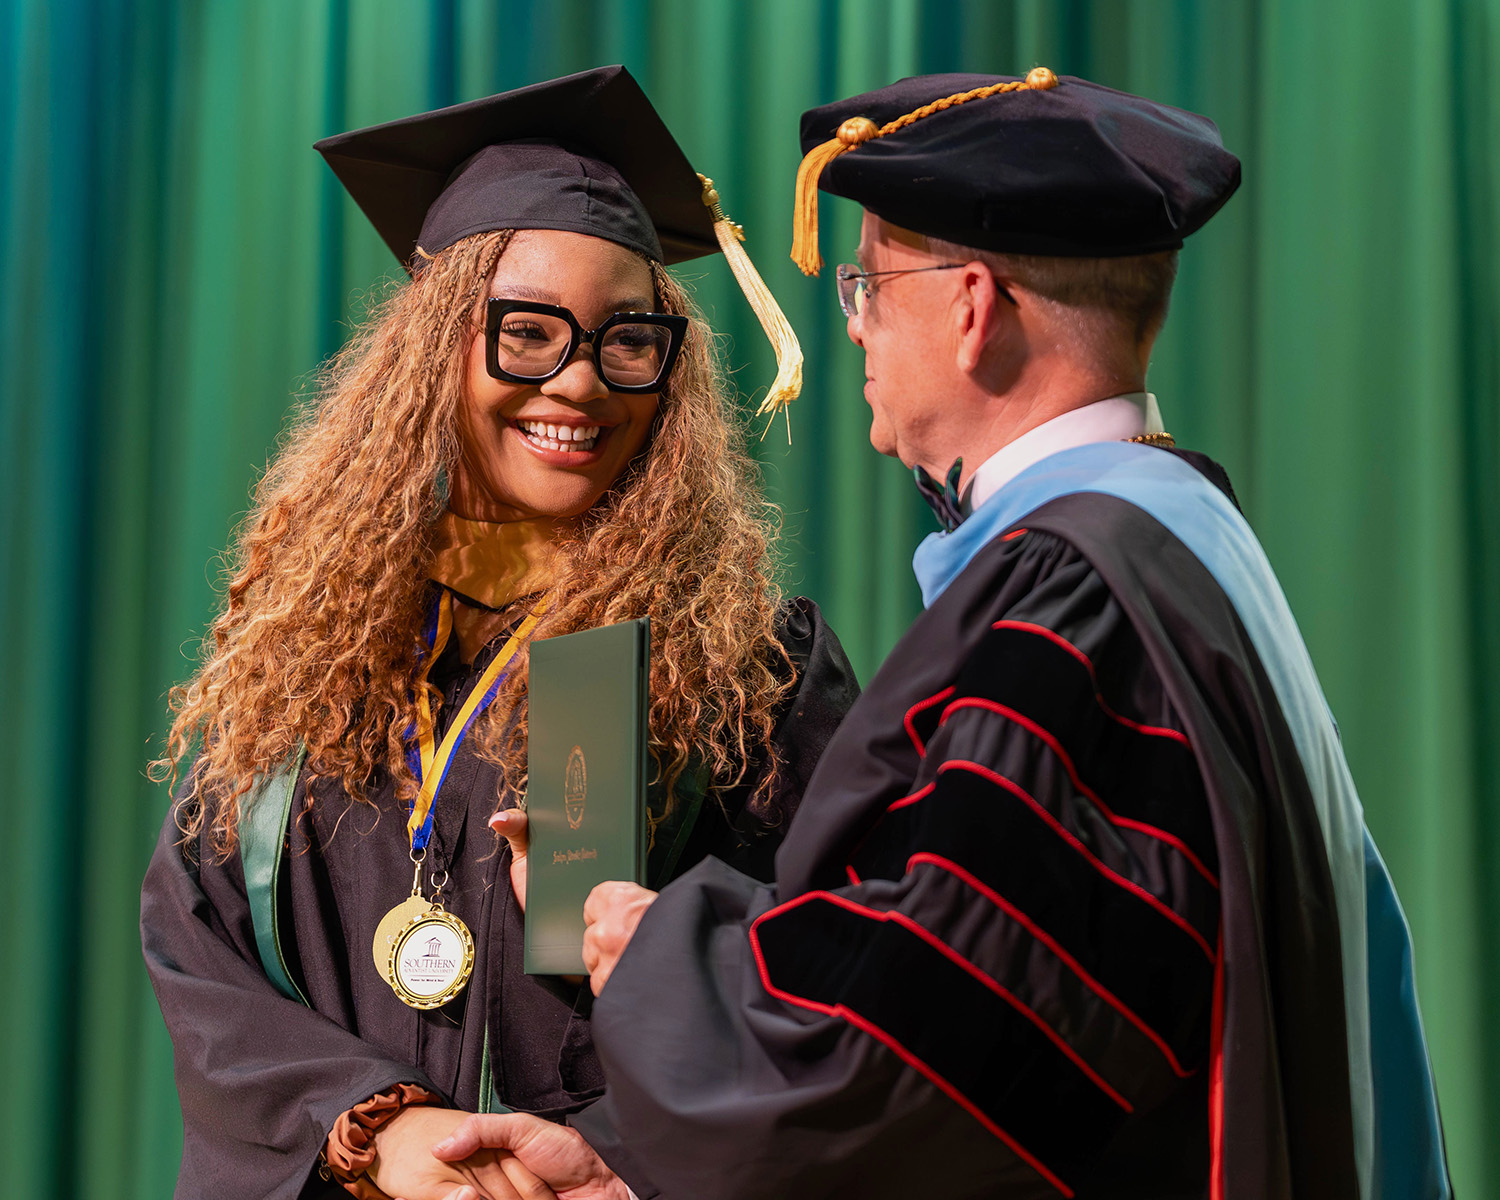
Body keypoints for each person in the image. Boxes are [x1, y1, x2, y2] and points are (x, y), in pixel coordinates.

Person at [439, 70, 1453, 1199]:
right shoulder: (1184, 536)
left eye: (867, 285)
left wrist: (651, 949)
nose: (855, 324)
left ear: (971, 309)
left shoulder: (1074, 596)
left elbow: (934, 1044)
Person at [139, 66, 857, 1200]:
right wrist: (372, 1127)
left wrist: (611, 1156)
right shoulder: (314, 650)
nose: (579, 383)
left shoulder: (747, 676)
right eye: (527, 332)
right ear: (438, 346)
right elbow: (202, 948)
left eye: (628, 341)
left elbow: (835, 977)